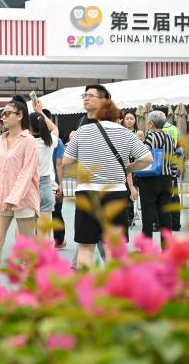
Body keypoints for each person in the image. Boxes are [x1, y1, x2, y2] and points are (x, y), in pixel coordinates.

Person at [63, 86, 152, 268]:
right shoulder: (126, 134)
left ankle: (85, 284)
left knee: (86, 247)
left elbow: (66, 161)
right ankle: (113, 283)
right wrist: (128, 167)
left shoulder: (83, 131)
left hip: (87, 193)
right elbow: (147, 159)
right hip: (116, 193)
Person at [0, 97, 40, 275]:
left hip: (24, 199)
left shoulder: (29, 141)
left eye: (7, 113)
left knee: (26, 247)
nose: (3, 117)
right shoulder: (0, 140)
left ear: (20, 115)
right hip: (2, 198)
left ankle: (31, 284)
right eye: (2, 114)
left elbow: (27, 172)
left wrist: (14, 197)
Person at [134, 111, 177, 246]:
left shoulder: (150, 137)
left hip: (150, 179)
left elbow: (143, 157)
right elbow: (174, 161)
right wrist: (172, 179)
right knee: (165, 215)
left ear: (152, 123)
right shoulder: (170, 139)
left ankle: (146, 247)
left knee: (148, 214)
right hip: (166, 179)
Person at [28, 103, 59, 242]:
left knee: (26, 228)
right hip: (46, 184)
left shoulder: (25, 142)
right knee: (44, 230)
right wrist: (40, 112)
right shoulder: (50, 141)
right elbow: (55, 128)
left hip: (29, 185)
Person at [47, 109, 67, 249]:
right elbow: (59, 164)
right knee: (57, 211)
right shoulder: (57, 141)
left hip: (38, 181)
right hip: (54, 181)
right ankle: (58, 240)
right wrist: (61, 184)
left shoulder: (31, 139)